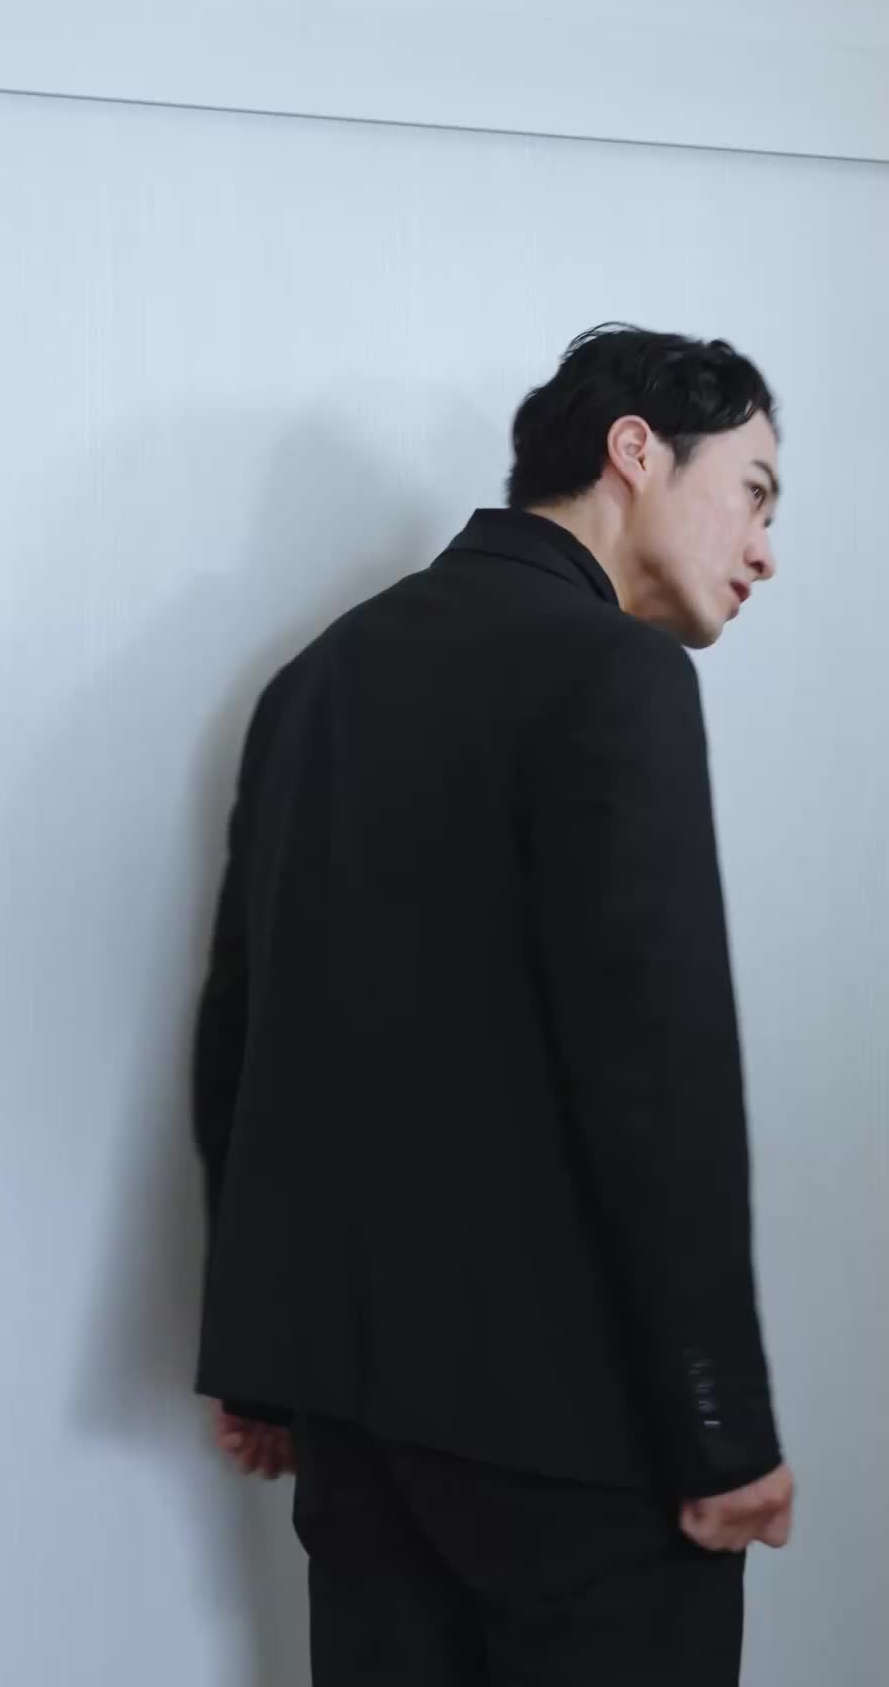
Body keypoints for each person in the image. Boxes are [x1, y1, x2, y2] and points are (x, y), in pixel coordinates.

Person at [192, 323, 794, 1685]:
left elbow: (248, 1025)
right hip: (580, 1443)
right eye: (754, 492)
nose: (765, 550)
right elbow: (662, 1076)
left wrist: (262, 1362)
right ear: (635, 451)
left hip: (354, 1434)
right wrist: (724, 1430)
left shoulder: (313, 682)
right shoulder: (619, 674)